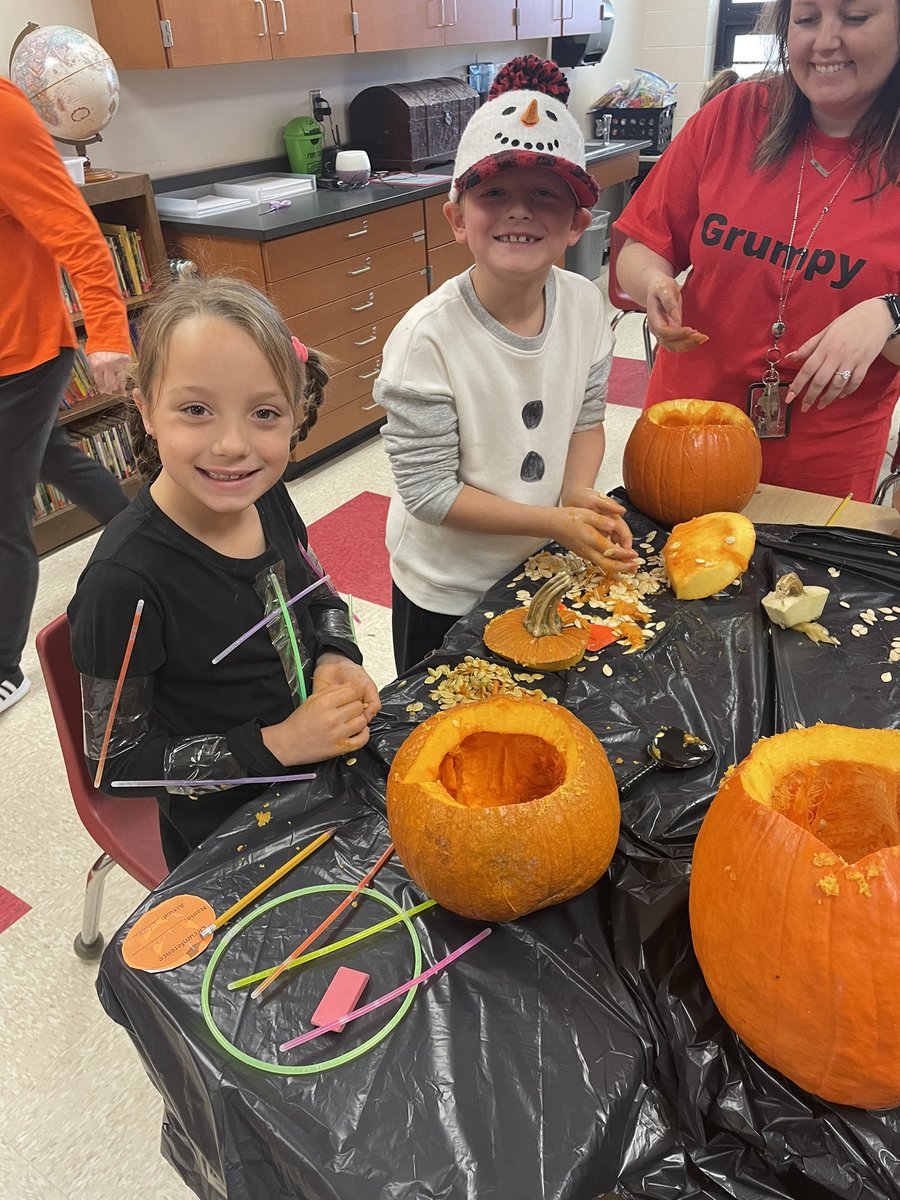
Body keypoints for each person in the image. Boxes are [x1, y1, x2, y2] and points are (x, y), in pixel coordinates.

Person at [68, 277, 380, 869]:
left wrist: (337, 654)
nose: (233, 445)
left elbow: (318, 595)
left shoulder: (264, 496)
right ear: (146, 410)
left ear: (295, 415)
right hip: (228, 834)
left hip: (326, 778)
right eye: (195, 410)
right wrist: (280, 744)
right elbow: (118, 768)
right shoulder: (124, 583)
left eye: (264, 413)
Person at [376, 55, 639, 675]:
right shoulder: (426, 340)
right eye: (494, 193)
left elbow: (586, 419)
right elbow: (430, 492)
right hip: (446, 586)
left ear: (577, 223)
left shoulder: (582, 303)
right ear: (457, 219)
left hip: (537, 563)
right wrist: (554, 519)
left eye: (545, 195)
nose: (519, 211)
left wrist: (575, 492)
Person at [615, 0, 900, 503]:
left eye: (856, 18)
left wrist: (888, 315)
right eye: (807, 19)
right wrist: (653, 283)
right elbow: (640, 246)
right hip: (683, 442)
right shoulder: (733, 115)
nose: (825, 42)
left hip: (821, 469)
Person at [0, 77, 133, 714]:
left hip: (19, 354)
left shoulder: (2, 112)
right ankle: (147, 530)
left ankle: (3, 668)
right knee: (52, 456)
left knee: (2, 515)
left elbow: (76, 231)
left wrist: (108, 330)